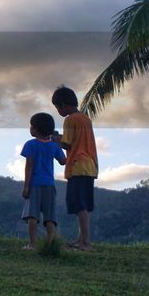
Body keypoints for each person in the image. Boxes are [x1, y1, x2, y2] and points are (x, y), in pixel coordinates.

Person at [51, 86, 98, 250]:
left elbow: (67, 143)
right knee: (83, 204)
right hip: (90, 165)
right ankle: (81, 239)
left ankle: (85, 242)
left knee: (79, 205)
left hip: (78, 165)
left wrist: (55, 139)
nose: (58, 110)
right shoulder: (85, 119)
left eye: (57, 107)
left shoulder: (70, 119)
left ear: (63, 104)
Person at [20, 112, 66, 249]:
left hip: (34, 184)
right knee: (50, 215)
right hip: (50, 185)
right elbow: (63, 161)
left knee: (32, 215)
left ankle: (32, 244)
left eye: (31, 126)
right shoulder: (54, 146)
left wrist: (26, 186)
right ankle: (50, 244)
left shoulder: (30, 144)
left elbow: (29, 166)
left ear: (35, 129)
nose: (30, 128)